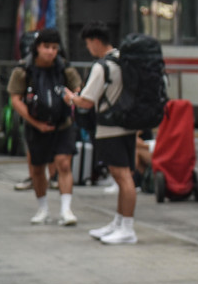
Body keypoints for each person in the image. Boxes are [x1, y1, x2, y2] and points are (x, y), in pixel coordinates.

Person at [64, 22, 139, 245]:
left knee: (123, 177)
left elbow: (86, 102)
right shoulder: (124, 58)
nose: (89, 48)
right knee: (122, 176)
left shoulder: (103, 66)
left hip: (110, 128)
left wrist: (70, 98)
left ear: (96, 41)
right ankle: (119, 222)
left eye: (88, 44)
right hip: (127, 125)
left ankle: (127, 228)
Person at [7, 28, 81, 226]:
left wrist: (72, 97)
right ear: (37, 48)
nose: (50, 52)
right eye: (46, 47)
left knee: (63, 163)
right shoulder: (24, 69)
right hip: (36, 126)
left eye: (54, 48)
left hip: (62, 124)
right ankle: (43, 209)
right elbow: (16, 99)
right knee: (37, 168)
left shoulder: (65, 67)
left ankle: (66, 210)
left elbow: (77, 88)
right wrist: (36, 123)